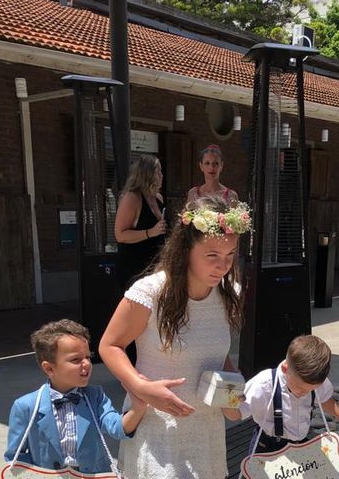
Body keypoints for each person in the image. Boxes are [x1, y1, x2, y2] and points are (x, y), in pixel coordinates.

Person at [99, 196, 252, 479]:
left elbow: (217, 356)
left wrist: (233, 395)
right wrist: (139, 387)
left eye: (230, 255)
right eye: (212, 256)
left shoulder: (228, 292)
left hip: (206, 430)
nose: (223, 266)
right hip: (159, 429)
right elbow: (110, 345)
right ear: (185, 249)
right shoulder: (151, 293)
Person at [4, 319, 146, 474]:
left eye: (88, 356)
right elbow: (16, 456)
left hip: (92, 474)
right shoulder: (26, 406)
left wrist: (138, 408)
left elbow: (116, 427)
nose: (86, 363)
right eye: (76, 360)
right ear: (49, 368)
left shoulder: (95, 396)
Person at [229, 335, 339, 454]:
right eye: (300, 388)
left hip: (300, 445)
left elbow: (325, 399)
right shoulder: (264, 385)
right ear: (285, 368)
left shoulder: (314, 381)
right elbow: (236, 414)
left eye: (310, 390)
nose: (304, 393)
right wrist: (228, 398)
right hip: (269, 447)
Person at [115, 154, 167, 290]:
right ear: (147, 174)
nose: (162, 175)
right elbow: (120, 235)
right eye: (158, 171)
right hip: (135, 268)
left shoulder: (158, 198)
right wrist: (150, 232)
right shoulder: (132, 198)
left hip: (155, 267)